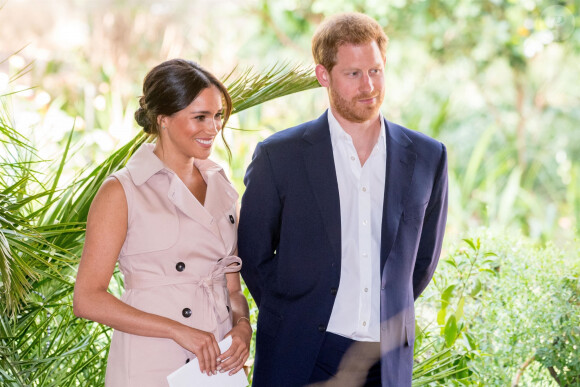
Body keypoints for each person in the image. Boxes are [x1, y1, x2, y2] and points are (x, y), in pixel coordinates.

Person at [238, 12, 448, 387]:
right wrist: (294, 310)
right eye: (353, 74)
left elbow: (421, 263)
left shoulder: (428, 157)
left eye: (376, 71)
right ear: (324, 76)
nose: (368, 86)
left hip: (386, 364)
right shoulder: (278, 156)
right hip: (300, 354)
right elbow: (253, 255)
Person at [73, 59, 252, 387]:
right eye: (199, 117)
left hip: (216, 363)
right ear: (163, 119)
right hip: (152, 359)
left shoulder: (222, 184)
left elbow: (232, 288)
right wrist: (178, 331)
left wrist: (242, 326)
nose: (212, 128)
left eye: (217, 117)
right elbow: (87, 298)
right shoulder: (123, 190)